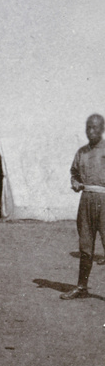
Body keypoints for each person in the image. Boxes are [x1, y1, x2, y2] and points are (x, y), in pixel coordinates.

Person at [61, 114, 105, 299]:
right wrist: (75, 183)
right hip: (86, 201)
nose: (91, 131)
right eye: (88, 127)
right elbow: (74, 173)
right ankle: (82, 287)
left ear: (102, 129)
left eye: (95, 127)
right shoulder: (81, 152)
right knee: (85, 246)